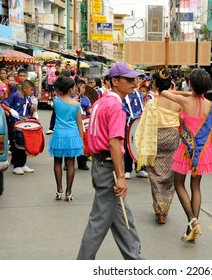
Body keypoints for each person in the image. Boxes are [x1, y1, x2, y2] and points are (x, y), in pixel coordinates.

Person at [77, 62, 144, 260]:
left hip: (102, 165)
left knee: (124, 220)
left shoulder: (100, 102)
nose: (134, 83)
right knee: (98, 224)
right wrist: (121, 176)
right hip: (109, 169)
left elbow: (92, 136)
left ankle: (137, 261)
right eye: (129, 79)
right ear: (115, 81)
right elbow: (114, 143)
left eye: (135, 79)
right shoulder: (114, 105)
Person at [160, 68, 212, 244]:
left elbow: (164, 92)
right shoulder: (210, 106)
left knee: (178, 183)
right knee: (196, 187)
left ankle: (193, 221)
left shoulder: (185, 101)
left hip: (186, 150)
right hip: (203, 151)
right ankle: (191, 231)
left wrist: (187, 93)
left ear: (191, 84)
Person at [135, 69, 181, 224]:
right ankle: (165, 208)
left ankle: (159, 211)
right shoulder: (177, 102)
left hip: (155, 138)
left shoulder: (152, 102)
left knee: (154, 173)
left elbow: (143, 124)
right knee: (169, 173)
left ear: (155, 85)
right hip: (172, 138)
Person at [48, 76, 84, 201]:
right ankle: (69, 192)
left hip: (59, 134)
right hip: (72, 135)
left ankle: (59, 189)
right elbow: (79, 123)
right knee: (70, 164)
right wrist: (82, 139)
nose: (75, 89)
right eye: (74, 87)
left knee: (57, 162)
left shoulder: (56, 102)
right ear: (69, 90)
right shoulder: (76, 104)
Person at [1, 80, 37, 175]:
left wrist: (34, 109)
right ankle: (17, 166)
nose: (32, 92)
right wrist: (11, 110)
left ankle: (23, 164)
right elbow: (3, 104)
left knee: (24, 145)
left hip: (25, 124)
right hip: (15, 124)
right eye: (31, 90)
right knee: (17, 145)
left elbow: (30, 110)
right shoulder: (14, 96)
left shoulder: (27, 98)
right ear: (24, 89)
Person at [123, 86, 148, 179]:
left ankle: (140, 168)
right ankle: (127, 169)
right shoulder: (124, 93)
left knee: (140, 144)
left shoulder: (138, 93)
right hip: (128, 121)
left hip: (138, 121)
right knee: (129, 144)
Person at [76, 79, 91, 170]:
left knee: (85, 142)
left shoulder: (86, 98)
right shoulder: (72, 98)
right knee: (73, 143)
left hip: (84, 123)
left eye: (85, 88)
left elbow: (89, 110)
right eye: (82, 88)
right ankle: (67, 162)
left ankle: (82, 163)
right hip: (74, 122)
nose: (84, 90)